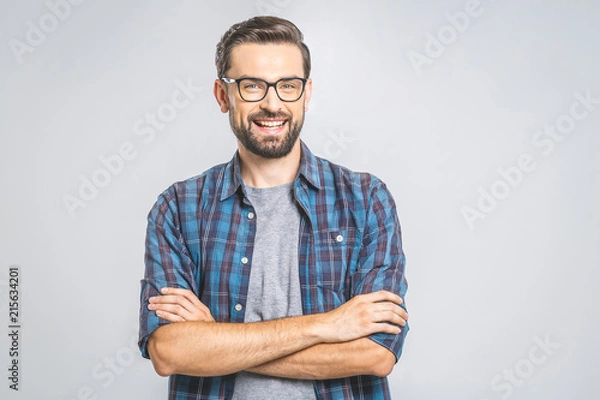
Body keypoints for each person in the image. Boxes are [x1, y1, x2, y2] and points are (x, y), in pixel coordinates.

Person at [138, 15, 409, 400]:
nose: (272, 104)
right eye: (251, 86)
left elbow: (376, 354)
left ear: (307, 93)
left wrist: (216, 340)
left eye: (288, 86)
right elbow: (168, 352)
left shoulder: (366, 200)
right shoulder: (179, 208)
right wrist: (326, 325)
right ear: (222, 95)